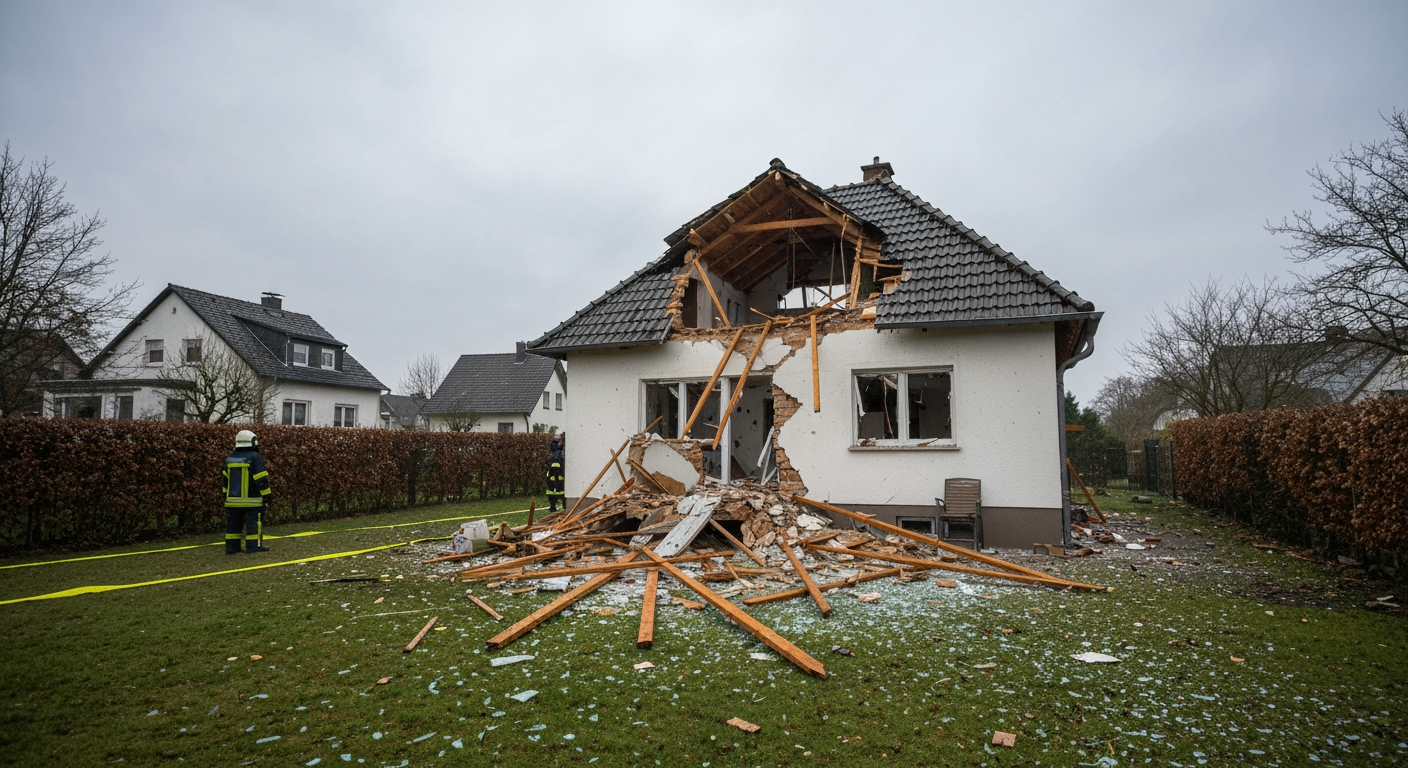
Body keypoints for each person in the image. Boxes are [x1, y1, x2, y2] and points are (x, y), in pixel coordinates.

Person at [223, 429, 272, 554]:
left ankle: (231, 547)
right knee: (253, 525)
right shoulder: (256, 457)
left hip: (233, 501)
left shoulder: (230, 458)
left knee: (233, 525)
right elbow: (261, 478)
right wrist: (267, 495)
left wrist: (225, 496)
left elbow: (225, 480)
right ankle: (253, 547)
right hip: (252, 501)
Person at [545, 436, 565, 512]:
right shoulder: (558, 451)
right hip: (557, 472)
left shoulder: (557, 451)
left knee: (554, 488)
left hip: (554, 473)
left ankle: (553, 505)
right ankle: (554, 505)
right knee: (557, 488)